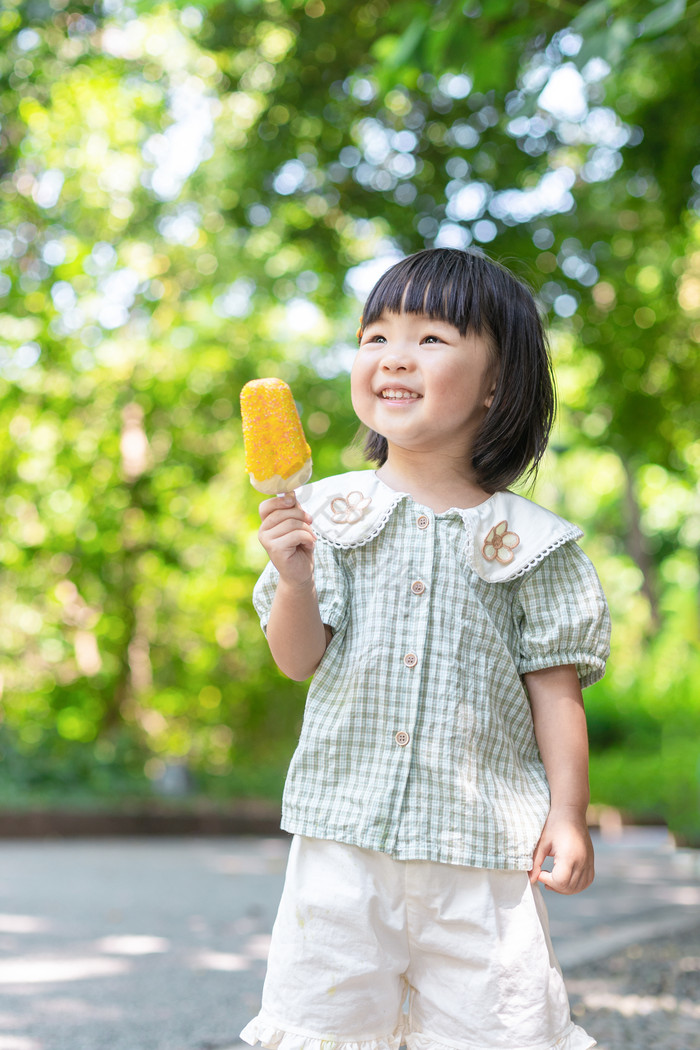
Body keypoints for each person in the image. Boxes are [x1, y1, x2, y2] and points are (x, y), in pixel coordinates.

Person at [240, 248, 610, 1050]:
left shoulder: (533, 545)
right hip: (343, 843)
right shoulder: (325, 514)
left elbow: (557, 693)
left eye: (432, 338)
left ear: (496, 385)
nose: (394, 355)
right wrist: (296, 579)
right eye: (376, 336)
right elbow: (298, 659)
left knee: (496, 1030)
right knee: (325, 1027)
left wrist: (570, 816)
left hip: (482, 856)